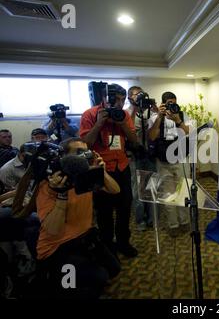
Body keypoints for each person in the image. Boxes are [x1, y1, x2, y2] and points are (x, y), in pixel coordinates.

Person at [35, 137, 121, 298]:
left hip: (84, 236)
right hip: (57, 246)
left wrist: (101, 172)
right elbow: (53, 230)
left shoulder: (86, 175)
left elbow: (115, 190)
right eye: (79, 152)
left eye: (86, 151)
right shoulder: (50, 185)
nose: (85, 155)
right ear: (64, 157)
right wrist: (61, 194)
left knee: (113, 269)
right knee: (82, 285)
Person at [80, 84, 139, 257]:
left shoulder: (125, 115)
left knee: (125, 207)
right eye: (116, 100)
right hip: (101, 169)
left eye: (123, 100)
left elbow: (134, 140)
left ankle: (123, 242)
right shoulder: (90, 114)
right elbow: (85, 145)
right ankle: (107, 246)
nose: (120, 104)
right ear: (105, 99)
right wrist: (99, 123)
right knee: (104, 211)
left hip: (122, 167)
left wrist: (123, 124)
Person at [147, 91, 191, 234]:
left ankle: (184, 221)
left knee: (183, 193)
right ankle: (173, 225)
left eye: (174, 102)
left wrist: (178, 120)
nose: (172, 106)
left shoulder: (182, 115)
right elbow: (152, 136)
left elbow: (189, 133)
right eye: (169, 104)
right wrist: (159, 117)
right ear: (163, 104)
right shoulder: (155, 117)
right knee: (168, 195)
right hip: (163, 161)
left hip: (180, 160)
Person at [127, 86, 156, 231]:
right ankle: (140, 220)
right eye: (135, 95)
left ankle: (152, 218)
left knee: (151, 187)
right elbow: (128, 128)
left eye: (141, 94)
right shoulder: (128, 112)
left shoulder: (148, 110)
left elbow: (160, 121)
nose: (139, 97)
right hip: (136, 156)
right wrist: (134, 107)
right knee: (138, 190)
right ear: (129, 98)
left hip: (150, 155)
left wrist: (154, 105)